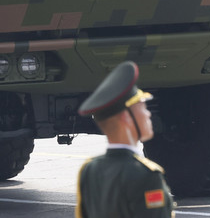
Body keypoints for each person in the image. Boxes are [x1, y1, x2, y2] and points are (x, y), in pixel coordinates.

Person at [75, 61, 175, 218]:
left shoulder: (89, 170)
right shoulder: (146, 176)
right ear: (126, 118)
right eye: (142, 108)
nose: (148, 114)